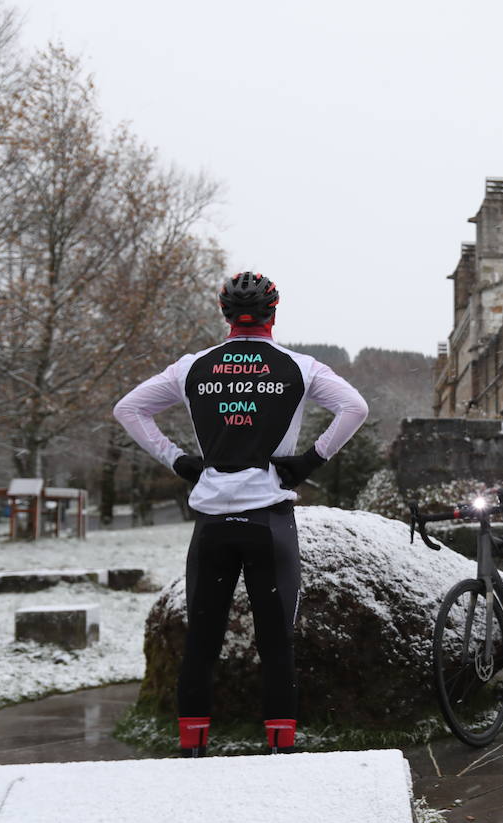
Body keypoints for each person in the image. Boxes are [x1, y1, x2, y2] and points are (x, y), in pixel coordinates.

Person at [113, 271, 368, 756]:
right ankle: (280, 748)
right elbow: (354, 408)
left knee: (201, 643)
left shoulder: (194, 367)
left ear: (224, 313)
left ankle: (192, 749)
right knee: (276, 644)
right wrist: (310, 460)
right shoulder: (299, 366)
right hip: (268, 519)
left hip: (211, 523)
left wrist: (179, 459)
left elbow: (128, 409)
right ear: (274, 313)